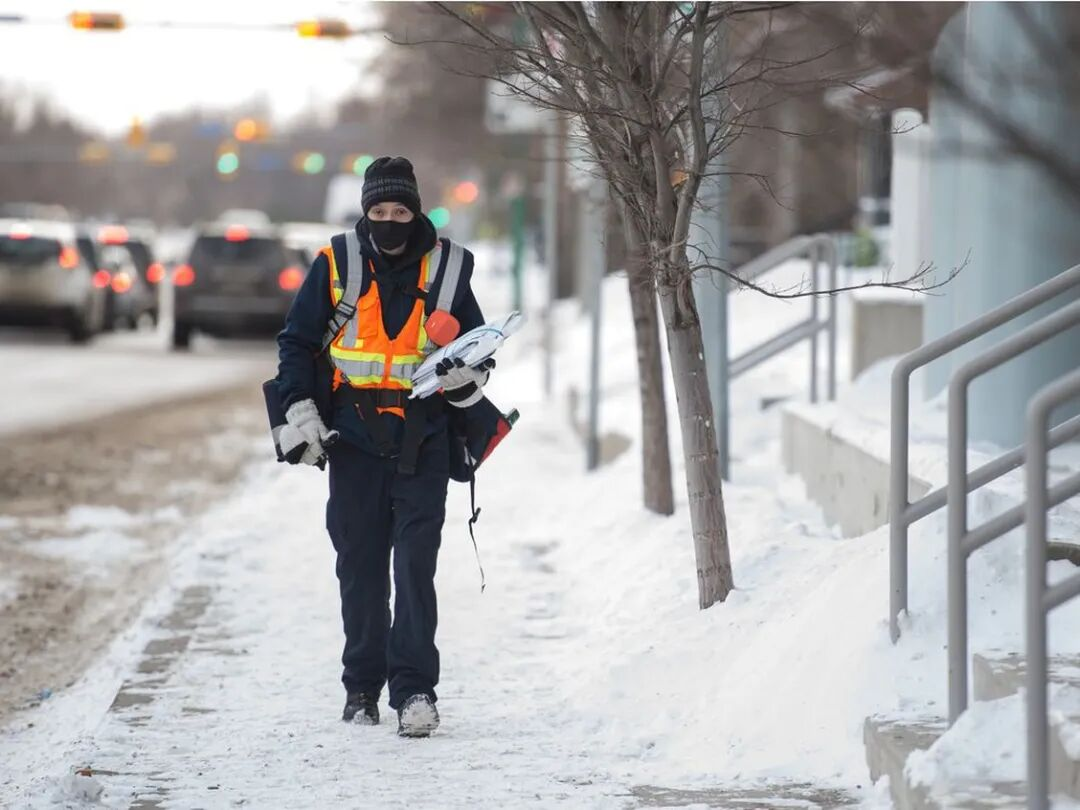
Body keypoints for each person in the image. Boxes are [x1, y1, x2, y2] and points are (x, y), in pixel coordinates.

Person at [275, 156, 492, 737]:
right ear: (366, 212)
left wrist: (469, 377)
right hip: (352, 442)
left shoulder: (448, 270)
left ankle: (416, 690)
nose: (389, 221)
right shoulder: (338, 262)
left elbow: (478, 347)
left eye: (400, 210)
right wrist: (300, 404)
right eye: (379, 211)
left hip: (424, 440)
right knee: (361, 567)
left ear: (415, 210)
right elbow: (296, 341)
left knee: (414, 566)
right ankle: (362, 688)